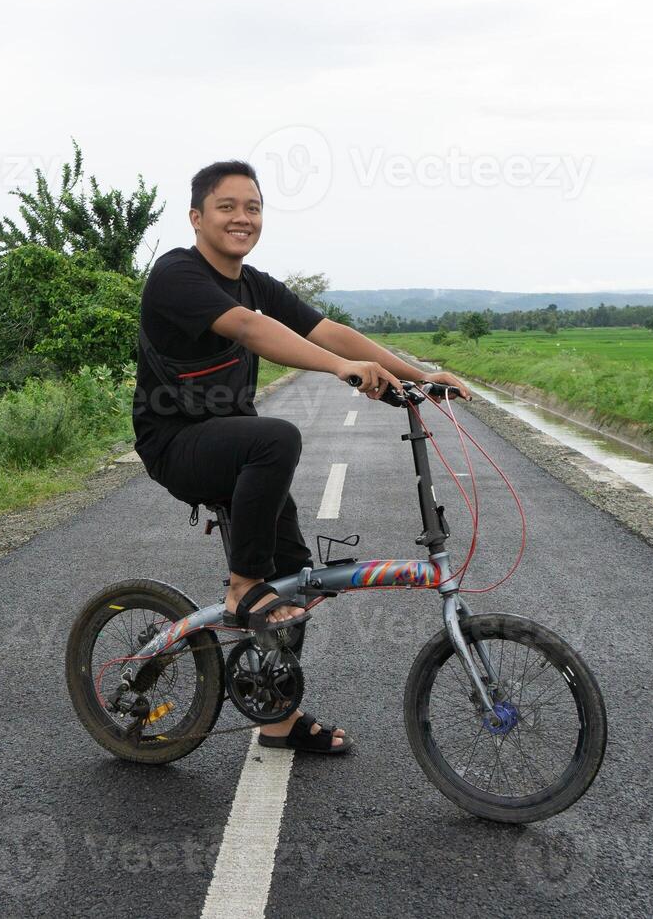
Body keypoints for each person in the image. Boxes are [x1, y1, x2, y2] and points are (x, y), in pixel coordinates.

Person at [132, 159, 471, 755]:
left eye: (253, 208)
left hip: (232, 444)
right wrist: (341, 371)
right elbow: (250, 329)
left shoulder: (255, 281)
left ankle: (277, 722)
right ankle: (241, 587)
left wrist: (415, 376)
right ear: (196, 217)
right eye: (228, 207)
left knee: (292, 579)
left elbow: (326, 329)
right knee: (277, 437)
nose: (243, 218)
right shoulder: (175, 275)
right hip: (177, 441)